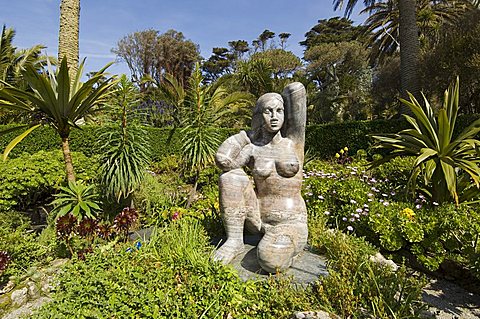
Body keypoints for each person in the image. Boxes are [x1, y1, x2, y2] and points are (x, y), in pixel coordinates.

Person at [214, 82, 307, 273]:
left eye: (279, 110)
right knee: (230, 177)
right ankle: (235, 241)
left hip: (291, 222)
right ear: (259, 115)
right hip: (257, 221)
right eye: (268, 111)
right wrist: (247, 135)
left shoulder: (294, 142)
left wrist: (275, 97)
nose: (274, 117)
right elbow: (223, 159)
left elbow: (296, 90)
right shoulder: (252, 148)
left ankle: (286, 246)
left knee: (270, 260)